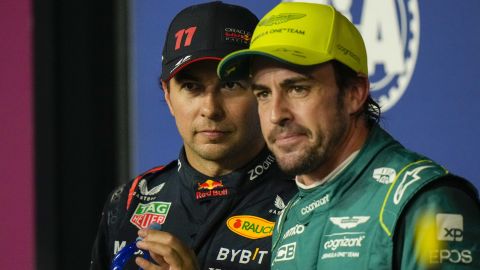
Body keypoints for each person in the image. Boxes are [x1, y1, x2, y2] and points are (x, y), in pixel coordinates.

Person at [217, 2, 480, 269]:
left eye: (297, 89)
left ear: (354, 93)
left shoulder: (424, 202)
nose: (276, 114)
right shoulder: (291, 213)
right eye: (263, 94)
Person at [89, 2, 296, 270]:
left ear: (262, 91)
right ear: (167, 94)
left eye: (230, 85)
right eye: (191, 87)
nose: (210, 109)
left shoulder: (306, 199)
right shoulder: (130, 201)